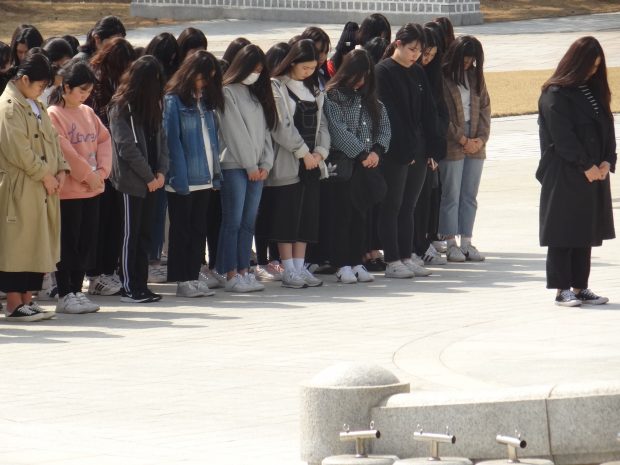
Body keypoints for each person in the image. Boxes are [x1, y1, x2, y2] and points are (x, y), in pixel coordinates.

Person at [537, 36, 615, 307]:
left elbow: (607, 126)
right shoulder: (554, 93)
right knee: (563, 230)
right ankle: (562, 289)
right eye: (589, 66)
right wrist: (585, 165)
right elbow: (562, 137)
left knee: (585, 230)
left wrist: (608, 160)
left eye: (596, 67)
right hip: (565, 171)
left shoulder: (593, 90)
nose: (593, 72)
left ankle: (581, 286)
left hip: (594, 171)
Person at [0, 52, 69, 321]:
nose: (42, 89)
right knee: (18, 244)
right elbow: (18, 148)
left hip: (41, 186)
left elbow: (53, 138)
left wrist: (62, 168)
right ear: (24, 79)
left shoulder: (34, 104)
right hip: (21, 185)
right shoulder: (9, 106)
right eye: (40, 84)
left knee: (36, 243)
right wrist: (44, 174)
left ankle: (28, 298)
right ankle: (14, 303)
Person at [48, 59, 112, 314]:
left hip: (93, 188)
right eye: (81, 90)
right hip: (69, 192)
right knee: (68, 243)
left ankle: (77, 290)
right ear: (66, 87)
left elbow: (105, 140)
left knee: (86, 242)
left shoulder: (88, 112)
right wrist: (88, 174)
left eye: (88, 92)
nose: (85, 96)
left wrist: (102, 172)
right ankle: (65, 292)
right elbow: (65, 150)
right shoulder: (54, 114)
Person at [375, 23, 439, 279]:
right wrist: (405, 147)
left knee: (409, 205)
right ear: (398, 44)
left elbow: (429, 110)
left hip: (419, 147)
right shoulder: (383, 71)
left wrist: (433, 146)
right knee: (392, 204)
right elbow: (388, 113)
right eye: (411, 49)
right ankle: (392, 259)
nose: (415, 55)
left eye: (419, 51)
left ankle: (405, 254)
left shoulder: (417, 72)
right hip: (396, 149)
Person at [324, 49, 391, 284]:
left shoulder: (370, 99)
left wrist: (376, 151)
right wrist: (362, 153)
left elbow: (384, 127)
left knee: (360, 217)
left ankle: (356, 261)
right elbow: (337, 130)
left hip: (365, 168)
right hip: (342, 167)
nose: (361, 82)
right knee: (341, 217)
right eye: (357, 76)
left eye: (365, 77)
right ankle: (341, 263)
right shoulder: (332, 97)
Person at [268, 39, 330, 288]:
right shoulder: (277, 87)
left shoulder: (315, 90)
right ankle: (288, 268)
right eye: (304, 68)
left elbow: (323, 124)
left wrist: (320, 152)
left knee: (306, 216)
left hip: (313, 163)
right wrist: (302, 152)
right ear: (292, 63)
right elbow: (280, 125)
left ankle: (300, 265)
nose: (309, 72)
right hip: (289, 162)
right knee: (287, 215)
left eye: (313, 68)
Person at [108, 55, 169, 303]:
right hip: (132, 183)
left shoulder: (153, 105)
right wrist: (147, 176)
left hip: (153, 181)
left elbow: (162, 141)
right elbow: (126, 147)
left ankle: (141, 284)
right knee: (129, 236)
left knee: (145, 236)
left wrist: (162, 172)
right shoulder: (122, 106)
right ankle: (129, 286)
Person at [163, 50, 224, 298]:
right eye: (201, 78)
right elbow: (172, 141)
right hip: (183, 178)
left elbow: (213, 141)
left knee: (199, 229)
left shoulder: (205, 102)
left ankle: (193, 274)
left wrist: (216, 174)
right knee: (181, 230)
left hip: (206, 176)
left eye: (208, 79)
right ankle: (182, 279)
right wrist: (179, 178)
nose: (204, 83)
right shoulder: (173, 100)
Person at [217, 44, 276, 292]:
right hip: (234, 165)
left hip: (256, 169)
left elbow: (265, 133)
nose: (256, 73)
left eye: (260, 69)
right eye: (253, 68)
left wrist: (265, 163)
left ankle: (244, 270)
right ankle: (230, 272)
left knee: (248, 222)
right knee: (233, 220)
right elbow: (234, 132)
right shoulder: (227, 92)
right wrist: (250, 164)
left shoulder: (255, 94)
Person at [85, 37, 136, 297]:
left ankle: (109, 269)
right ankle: (95, 274)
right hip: (96, 161)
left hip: (116, 163)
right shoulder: (96, 83)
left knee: (114, 220)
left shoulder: (119, 82)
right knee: (100, 221)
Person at [439, 35, 490, 262]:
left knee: (470, 194)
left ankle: (467, 240)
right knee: (451, 193)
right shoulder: (442, 77)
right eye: (465, 60)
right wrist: (461, 139)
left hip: (475, 138)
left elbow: (486, 109)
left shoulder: (476, 77)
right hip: (452, 140)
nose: (468, 64)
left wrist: (480, 139)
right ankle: (450, 242)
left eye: (472, 60)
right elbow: (442, 115)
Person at [412, 25, 449, 267]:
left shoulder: (434, 77)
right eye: (424, 53)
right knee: (410, 203)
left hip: (429, 148)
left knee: (425, 200)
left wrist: (435, 150)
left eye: (432, 55)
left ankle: (422, 242)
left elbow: (440, 115)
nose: (426, 59)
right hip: (412, 148)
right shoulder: (408, 72)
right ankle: (411, 247)